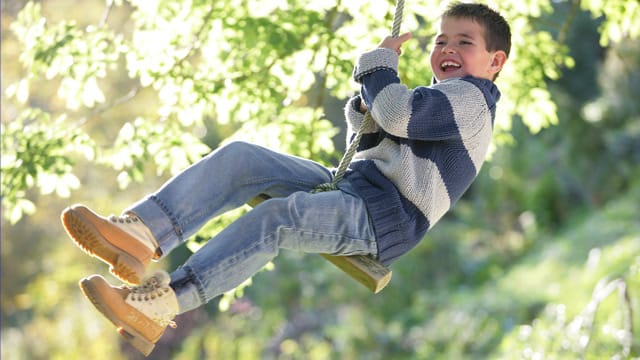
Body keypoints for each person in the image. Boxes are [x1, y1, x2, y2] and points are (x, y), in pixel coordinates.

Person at [62, 2, 510, 355]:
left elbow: (395, 113)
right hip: (355, 189)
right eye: (441, 39)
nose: (448, 48)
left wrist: (378, 65)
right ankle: (142, 234)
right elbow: (378, 134)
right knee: (242, 160)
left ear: (495, 61)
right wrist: (366, 108)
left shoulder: (472, 101)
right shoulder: (439, 97)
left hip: (382, 217)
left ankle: (161, 306)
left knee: (279, 218)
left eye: (464, 41)